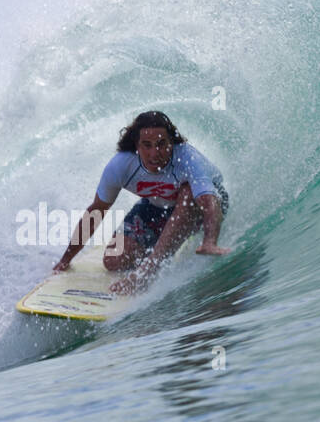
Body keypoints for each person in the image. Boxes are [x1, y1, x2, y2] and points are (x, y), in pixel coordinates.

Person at [53, 111, 230, 295]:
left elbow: (209, 201)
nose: (155, 153)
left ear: (172, 142)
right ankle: (164, 247)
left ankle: (147, 273)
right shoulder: (120, 166)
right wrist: (66, 259)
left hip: (206, 207)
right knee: (114, 261)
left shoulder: (187, 158)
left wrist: (210, 240)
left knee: (188, 192)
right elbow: (96, 211)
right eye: (147, 145)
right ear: (136, 145)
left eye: (162, 144)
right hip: (159, 207)